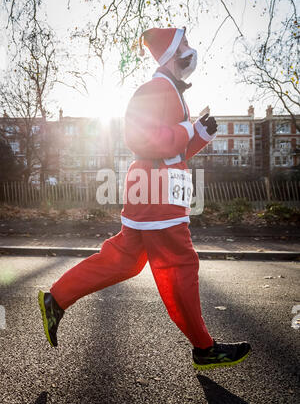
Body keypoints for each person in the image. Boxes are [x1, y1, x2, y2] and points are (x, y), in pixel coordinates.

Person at [38, 27, 251, 371]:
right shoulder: (156, 88)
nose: (190, 50)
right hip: (158, 196)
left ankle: (56, 299)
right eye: (183, 44)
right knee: (180, 266)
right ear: (169, 54)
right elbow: (139, 137)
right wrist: (187, 130)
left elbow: (170, 152)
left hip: (155, 189)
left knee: (125, 260)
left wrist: (198, 135)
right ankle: (204, 349)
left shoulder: (169, 90)